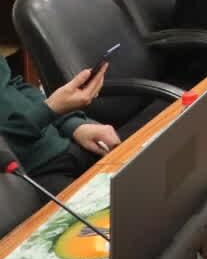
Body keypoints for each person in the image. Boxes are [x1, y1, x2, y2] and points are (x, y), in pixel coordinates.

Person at [0, 59, 119, 194]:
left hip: (62, 143)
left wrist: (73, 124)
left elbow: (14, 85)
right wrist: (50, 109)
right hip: (28, 174)